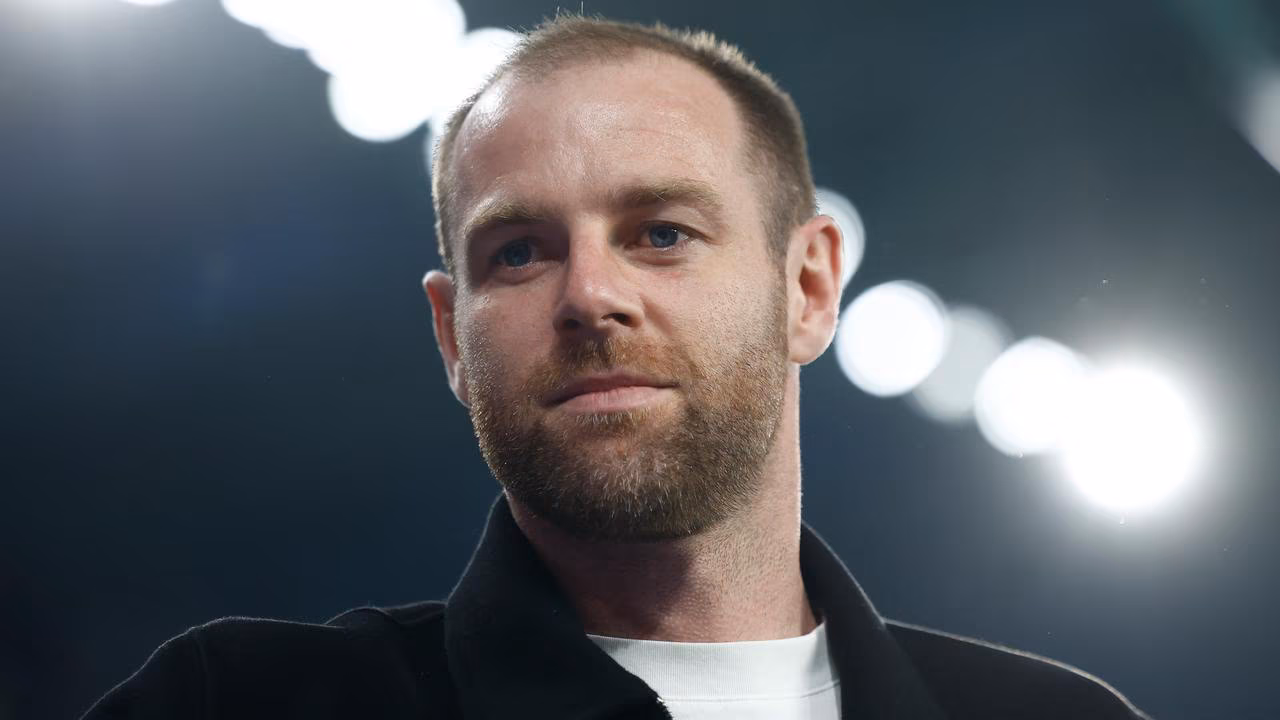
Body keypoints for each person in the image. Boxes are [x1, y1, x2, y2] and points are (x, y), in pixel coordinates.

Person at [84, 15, 1149, 720]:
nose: (589, 295)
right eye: (518, 253)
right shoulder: (236, 708)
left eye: (661, 233)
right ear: (452, 338)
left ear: (808, 287)